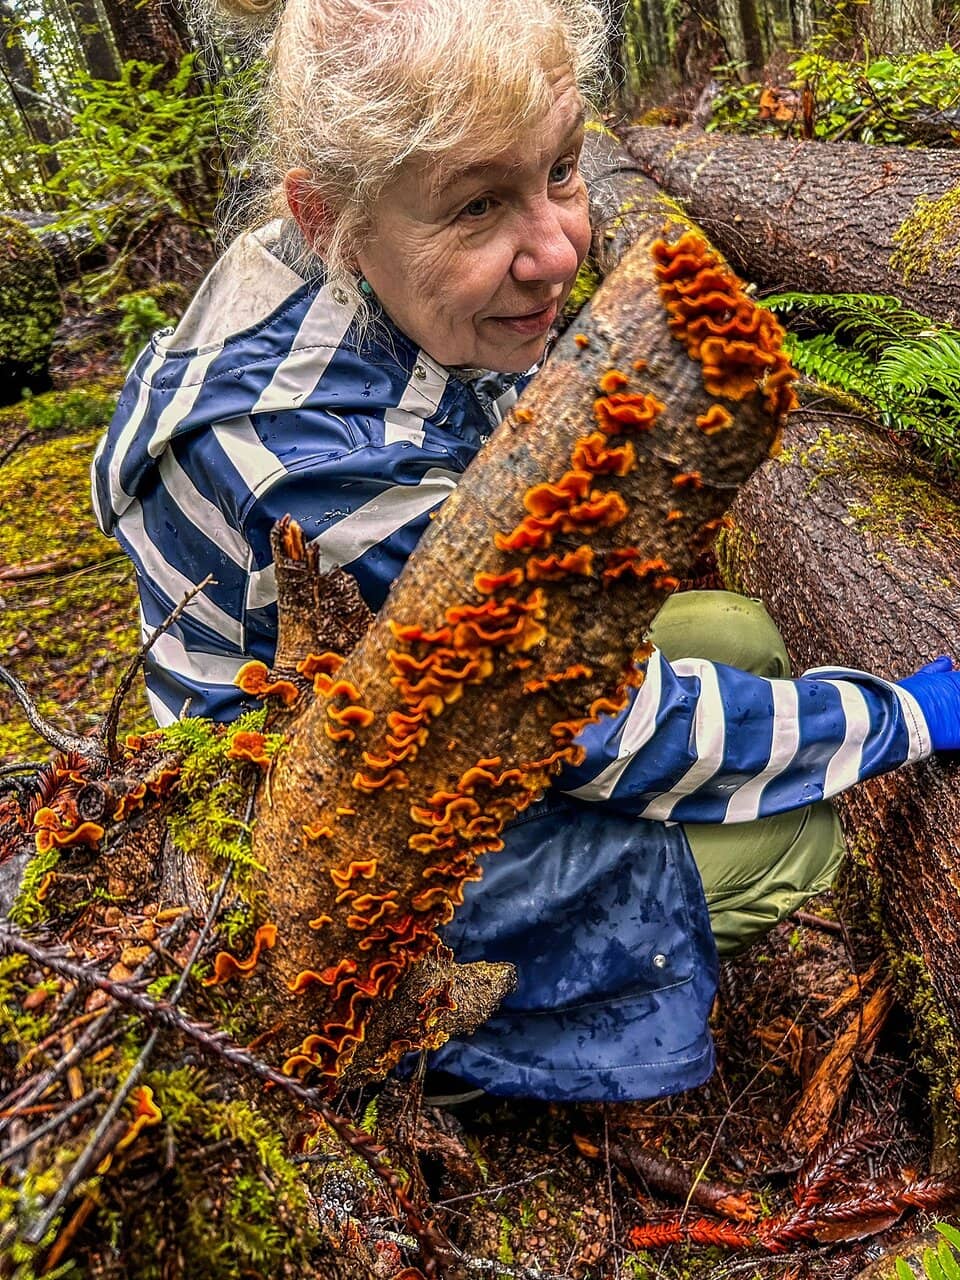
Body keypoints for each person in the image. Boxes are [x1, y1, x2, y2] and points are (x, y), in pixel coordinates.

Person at [91, 0, 960, 1102]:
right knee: (795, 838)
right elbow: (607, 733)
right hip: (309, 869)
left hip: (389, 723)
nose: (559, 248)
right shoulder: (315, 461)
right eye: (477, 205)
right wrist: (902, 716)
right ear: (328, 215)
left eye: (562, 169)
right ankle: (439, 1044)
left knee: (735, 633)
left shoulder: (338, 272)